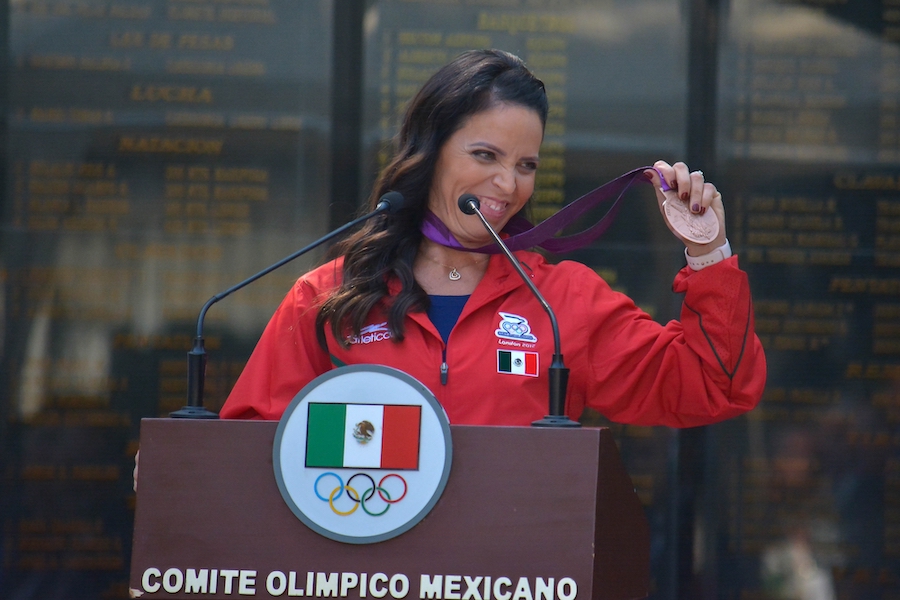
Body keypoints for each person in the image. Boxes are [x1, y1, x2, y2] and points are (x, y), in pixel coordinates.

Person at [218, 48, 766, 427]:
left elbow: (712, 387)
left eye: (526, 164)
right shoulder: (329, 296)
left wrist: (708, 253)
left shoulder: (564, 302)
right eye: (485, 156)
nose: (507, 184)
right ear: (429, 153)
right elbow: (252, 445)